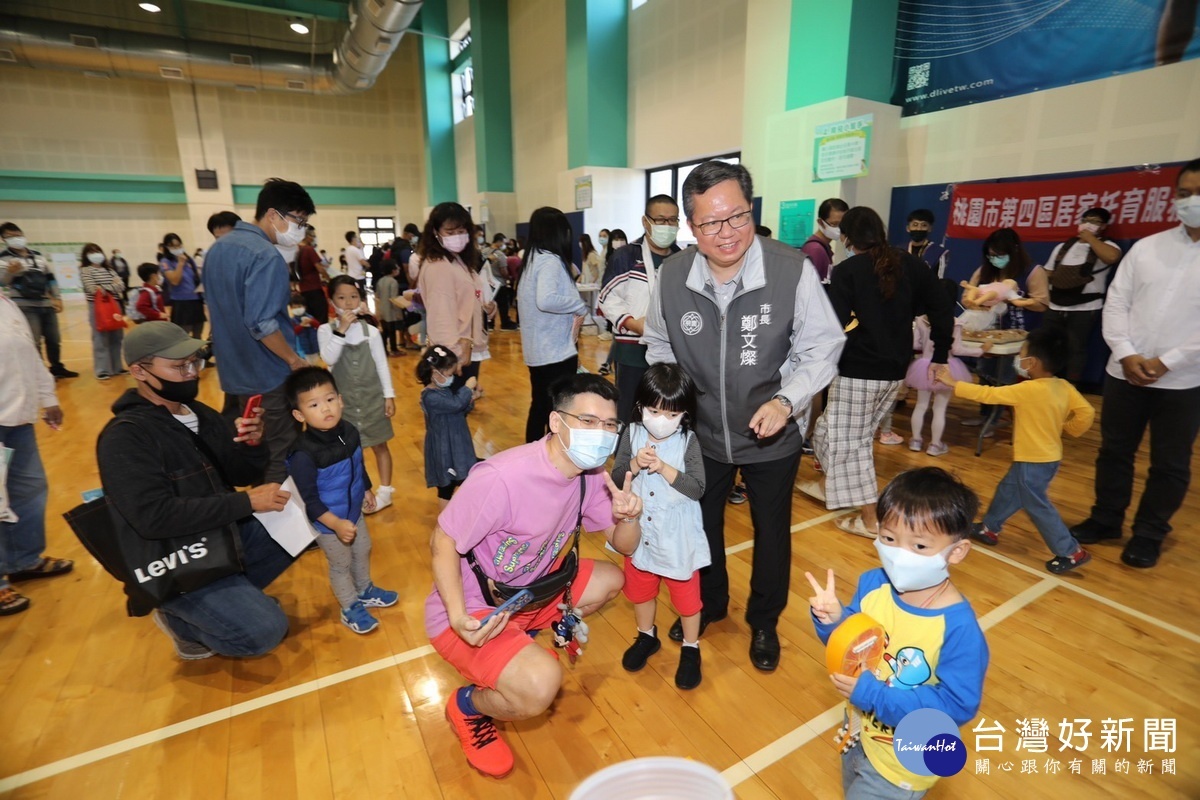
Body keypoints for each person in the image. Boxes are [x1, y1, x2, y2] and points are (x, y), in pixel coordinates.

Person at [643, 161, 845, 672]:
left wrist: (785, 401)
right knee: (701, 525)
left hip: (770, 435)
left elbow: (824, 344)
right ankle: (709, 604)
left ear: (750, 210)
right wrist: (675, 401)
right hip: (702, 435)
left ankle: (765, 620)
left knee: (771, 531)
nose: (726, 233)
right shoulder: (671, 277)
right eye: (710, 223)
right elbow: (659, 344)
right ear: (691, 227)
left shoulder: (789, 268)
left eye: (736, 217)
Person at [427, 374, 643, 778]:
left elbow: (626, 545)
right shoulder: (501, 478)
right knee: (541, 686)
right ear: (556, 423)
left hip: (529, 596)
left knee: (613, 580)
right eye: (588, 421)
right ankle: (468, 707)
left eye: (610, 425)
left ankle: (520, 640)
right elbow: (443, 542)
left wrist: (630, 517)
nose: (601, 434)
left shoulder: (589, 474)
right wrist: (458, 616)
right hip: (476, 608)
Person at [97, 322, 294, 659]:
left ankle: (231, 602)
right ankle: (181, 619)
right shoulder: (124, 436)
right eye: (178, 366)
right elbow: (153, 518)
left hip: (219, 539)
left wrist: (253, 445)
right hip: (177, 562)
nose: (192, 373)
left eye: (195, 363)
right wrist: (245, 502)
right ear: (138, 371)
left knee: (306, 516)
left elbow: (242, 473)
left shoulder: (200, 414)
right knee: (265, 633)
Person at [807, 467, 988, 799]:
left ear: (957, 551)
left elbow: (957, 706)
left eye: (919, 545)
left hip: (904, 761)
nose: (899, 553)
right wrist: (834, 621)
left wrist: (874, 696)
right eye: (889, 539)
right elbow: (855, 645)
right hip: (859, 733)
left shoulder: (959, 629)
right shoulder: (873, 584)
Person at [1071, 158, 1200, 569]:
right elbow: (1117, 302)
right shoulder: (1148, 247)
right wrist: (1125, 353)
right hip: (1124, 373)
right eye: (1184, 193)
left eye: (1198, 194)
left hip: (1183, 382)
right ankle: (1107, 519)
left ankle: (1148, 533)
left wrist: (1168, 361)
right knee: (1114, 452)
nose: (1190, 201)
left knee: (1170, 463)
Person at [802, 206, 953, 538]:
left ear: (847, 238)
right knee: (828, 430)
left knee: (850, 443)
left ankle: (871, 520)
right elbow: (943, 308)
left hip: (859, 370)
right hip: (894, 371)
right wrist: (939, 354)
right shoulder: (911, 265)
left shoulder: (849, 271)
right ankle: (831, 485)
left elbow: (833, 325)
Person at [938, 327, 1096, 573]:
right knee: (1008, 490)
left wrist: (953, 383)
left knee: (1038, 506)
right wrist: (1068, 428)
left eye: (1021, 354)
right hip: (1048, 458)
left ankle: (1070, 551)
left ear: (1031, 362)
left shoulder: (1026, 389)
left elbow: (987, 393)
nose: (1019, 359)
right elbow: (1087, 412)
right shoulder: (1064, 386)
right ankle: (989, 527)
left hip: (1032, 461)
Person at [202, 178, 315, 483]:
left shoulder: (217, 250)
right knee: (281, 452)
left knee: (255, 449)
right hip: (268, 375)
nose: (301, 229)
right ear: (273, 214)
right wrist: (294, 360)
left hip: (236, 375)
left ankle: (264, 518)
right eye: (298, 220)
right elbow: (261, 324)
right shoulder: (265, 255)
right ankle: (283, 526)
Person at [611, 363, 709, 690]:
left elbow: (697, 488)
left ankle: (691, 647)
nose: (661, 420)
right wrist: (634, 465)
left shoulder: (688, 441)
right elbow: (615, 476)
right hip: (640, 532)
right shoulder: (632, 432)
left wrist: (664, 467)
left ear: (684, 414)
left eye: (672, 414)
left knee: (687, 600)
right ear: (641, 406)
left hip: (677, 536)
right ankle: (646, 636)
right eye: (654, 411)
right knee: (641, 590)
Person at [284, 367, 399, 634]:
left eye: (330, 399)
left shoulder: (349, 431)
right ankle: (349, 606)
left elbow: (358, 464)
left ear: (341, 399)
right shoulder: (302, 454)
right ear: (299, 414)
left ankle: (365, 589)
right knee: (341, 564)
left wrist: (367, 489)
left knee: (363, 549)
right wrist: (335, 523)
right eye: (314, 404)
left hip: (353, 511)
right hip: (328, 522)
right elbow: (310, 502)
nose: (326, 408)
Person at [0, 291, 72, 616]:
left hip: (17, 419)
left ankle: (23, 560)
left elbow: (27, 354)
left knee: (29, 490)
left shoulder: (6, 302)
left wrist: (48, 396)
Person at [598, 195, 684, 423]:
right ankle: (626, 457)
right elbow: (608, 299)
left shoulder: (682, 260)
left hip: (672, 352)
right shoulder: (626, 256)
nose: (667, 226)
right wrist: (633, 324)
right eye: (660, 220)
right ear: (646, 222)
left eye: (672, 221)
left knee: (666, 411)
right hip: (632, 350)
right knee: (630, 410)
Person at [318, 276, 396, 513]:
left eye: (354, 297)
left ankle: (385, 491)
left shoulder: (371, 331)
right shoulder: (325, 330)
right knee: (351, 450)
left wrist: (389, 396)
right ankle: (360, 491)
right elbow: (328, 358)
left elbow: (382, 365)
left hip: (372, 398)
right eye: (342, 297)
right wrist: (341, 330)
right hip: (345, 402)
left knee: (380, 445)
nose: (349, 303)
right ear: (332, 301)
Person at [960, 227, 1048, 429]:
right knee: (984, 371)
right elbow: (967, 296)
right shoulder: (985, 271)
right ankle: (986, 415)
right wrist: (976, 303)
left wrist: (1014, 300)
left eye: (999, 255)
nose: (994, 260)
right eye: (990, 256)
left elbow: (1042, 303)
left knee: (1004, 376)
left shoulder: (1033, 271)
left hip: (1019, 335)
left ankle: (996, 418)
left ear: (1014, 251)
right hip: (989, 332)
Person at [517, 207, 589, 442]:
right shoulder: (549, 260)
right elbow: (546, 299)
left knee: (540, 407)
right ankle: (544, 458)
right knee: (552, 410)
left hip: (540, 351)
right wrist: (578, 305)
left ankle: (533, 456)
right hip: (554, 352)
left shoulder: (532, 259)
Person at [1040, 207, 1121, 384]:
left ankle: (1071, 387)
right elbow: (1047, 271)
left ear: (1104, 226)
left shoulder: (1108, 246)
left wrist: (1091, 238)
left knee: (1076, 349)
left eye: (1094, 221)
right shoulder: (1063, 246)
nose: (1088, 224)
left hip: (1084, 308)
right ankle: (1045, 384)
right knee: (1046, 346)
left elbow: (1112, 257)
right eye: (1085, 220)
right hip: (1055, 305)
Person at [417, 202, 490, 391]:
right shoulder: (438, 266)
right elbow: (441, 317)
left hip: (467, 347)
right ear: (435, 232)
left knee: (460, 409)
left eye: (461, 230)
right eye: (450, 232)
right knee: (451, 412)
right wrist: (454, 358)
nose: (457, 237)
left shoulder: (456, 259)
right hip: (454, 354)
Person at [0, 222, 76, 379]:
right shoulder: (3, 258)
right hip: (24, 305)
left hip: (46, 303)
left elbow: (50, 277)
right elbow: (2, 282)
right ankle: (40, 373)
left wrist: (57, 297)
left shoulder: (37, 255)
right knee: (34, 341)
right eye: (10, 236)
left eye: (18, 235)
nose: (16, 239)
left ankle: (57, 367)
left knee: (54, 339)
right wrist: (10, 272)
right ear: (3, 239)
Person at [906, 314, 989, 456]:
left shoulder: (921, 319)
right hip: (946, 366)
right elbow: (957, 349)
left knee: (920, 405)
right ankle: (935, 445)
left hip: (924, 366)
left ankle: (916, 440)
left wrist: (928, 346)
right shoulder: (954, 322)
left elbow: (915, 344)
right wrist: (981, 350)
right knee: (939, 408)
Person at [417, 345, 478, 509]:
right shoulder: (429, 396)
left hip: (457, 443)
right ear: (434, 373)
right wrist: (466, 389)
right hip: (444, 448)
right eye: (449, 374)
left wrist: (470, 400)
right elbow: (455, 404)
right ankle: (445, 523)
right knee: (446, 487)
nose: (452, 377)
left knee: (464, 477)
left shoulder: (444, 389)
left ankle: (461, 514)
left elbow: (460, 408)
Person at [79, 243, 126, 380]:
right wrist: (112, 286)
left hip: (114, 305)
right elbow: (92, 289)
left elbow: (121, 286)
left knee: (117, 336)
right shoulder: (85, 270)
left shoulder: (110, 270)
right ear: (86, 255)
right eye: (92, 252)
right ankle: (103, 369)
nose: (96, 254)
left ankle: (117, 367)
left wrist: (103, 287)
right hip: (97, 306)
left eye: (98, 251)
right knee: (100, 337)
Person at [159, 233, 205, 342]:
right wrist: (180, 264)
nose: (177, 248)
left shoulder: (189, 259)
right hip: (181, 302)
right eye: (173, 246)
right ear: (167, 247)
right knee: (183, 336)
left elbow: (196, 278)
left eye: (179, 245)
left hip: (195, 300)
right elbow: (175, 281)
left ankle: (198, 357)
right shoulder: (166, 262)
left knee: (198, 333)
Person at [596, 228, 628, 373]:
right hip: (614, 300)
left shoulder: (630, 254)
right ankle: (609, 363)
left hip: (628, 299)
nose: (618, 241)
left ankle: (609, 363)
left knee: (619, 334)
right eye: (615, 239)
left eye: (621, 238)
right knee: (617, 333)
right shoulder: (607, 256)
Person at [800, 198, 848, 283]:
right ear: (821, 222)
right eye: (835, 224)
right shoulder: (815, 250)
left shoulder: (824, 247)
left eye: (843, 224)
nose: (839, 229)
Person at [295, 225, 330, 325]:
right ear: (306, 235)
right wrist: (329, 279)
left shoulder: (296, 250)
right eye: (313, 235)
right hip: (314, 289)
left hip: (303, 289)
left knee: (309, 319)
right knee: (321, 318)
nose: (314, 238)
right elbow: (320, 268)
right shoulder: (308, 249)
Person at [902, 208, 949, 279]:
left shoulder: (939, 253)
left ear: (930, 228)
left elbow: (940, 281)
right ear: (908, 228)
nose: (919, 229)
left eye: (924, 225)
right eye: (915, 225)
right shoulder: (899, 250)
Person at [374, 259, 404, 357]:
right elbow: (393, 298)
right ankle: (394, 349)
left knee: (385, 331)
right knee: (392, 332)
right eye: (397, 267)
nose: (399, 269)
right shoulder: (393, 282)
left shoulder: (380, 281)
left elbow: (377, 295)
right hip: (391, 311)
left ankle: (384, 350)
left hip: (382, 309)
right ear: (393, 270)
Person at [288, 292, 319, 363]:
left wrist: (311, 322)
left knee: (316, 363)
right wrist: (301, 326)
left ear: (304, 307)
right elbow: (293, 332)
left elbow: (318, 326)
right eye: (294, 307)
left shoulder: (310, 317)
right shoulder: (293, 321)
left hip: (313, 346)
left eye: (299, 306)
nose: (297, 309)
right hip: (302, 349)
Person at [344, 231, 369, 296]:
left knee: (355, 295)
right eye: (356, 237)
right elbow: (363, 262)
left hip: (351, 276)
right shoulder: (355, 250)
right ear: (353, 238)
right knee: (361, 296)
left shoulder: (348, 249)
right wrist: (368, 264)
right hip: (358, 277)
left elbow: (362, 246)